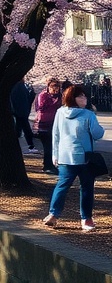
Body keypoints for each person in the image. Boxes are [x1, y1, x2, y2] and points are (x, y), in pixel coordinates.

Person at [42, 84, 105, 231]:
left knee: (62, 185)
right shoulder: (88, 115)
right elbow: (98, 134)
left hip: (64, 156)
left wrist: (55, 154)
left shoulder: (60, 112)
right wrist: (95, 116)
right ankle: (86, 219)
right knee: (87, 188)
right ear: (73, 98)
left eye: (84, 95)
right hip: (85, 158)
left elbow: (55, 134)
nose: (85, 98)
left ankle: (53, 214)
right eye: (81, 96)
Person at [35, 77, 63, 175]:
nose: (55, 91)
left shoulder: (60, 96)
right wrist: (54, 102)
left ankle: (51, 164)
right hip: (44, 124)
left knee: (54, 145)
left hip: (56, 124)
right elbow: (40, 107)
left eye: (57, 89)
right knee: (48, 146)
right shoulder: (43, 95)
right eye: (53, 88)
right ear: (49, 87)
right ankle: (47, 166)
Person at [10, 78, 38, 154]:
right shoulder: (20, 86)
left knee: (19, 129)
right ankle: (30, 145)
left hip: (19, 111)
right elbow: (27, 99)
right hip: (22, 111)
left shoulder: (15, 86)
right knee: (26, 129)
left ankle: (16, 145)